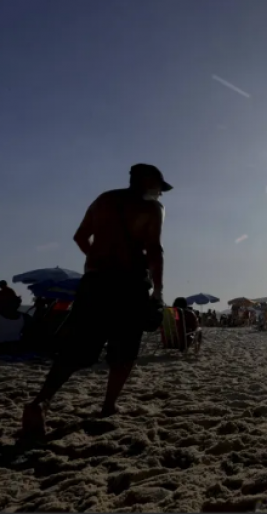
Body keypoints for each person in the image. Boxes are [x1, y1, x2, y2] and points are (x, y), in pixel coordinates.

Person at [22, 163, 171, 437]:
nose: (160, 195)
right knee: (125, 349)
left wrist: (96, 258)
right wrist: (158, 291)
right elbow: (154, 249)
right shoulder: (152, 208)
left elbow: (80, 237)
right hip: (129, 284)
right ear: (148, 182)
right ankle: (108, 405)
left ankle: (40, 403)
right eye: (159, 189)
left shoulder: (104, 200)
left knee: (76, 349)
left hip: (94, 283)